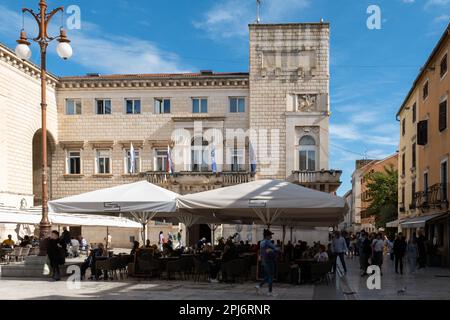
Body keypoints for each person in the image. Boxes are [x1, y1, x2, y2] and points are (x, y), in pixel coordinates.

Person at [255, 229, 280, 297]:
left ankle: (259, 286)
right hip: (269, 261)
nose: (271, 237)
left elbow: (263, 251)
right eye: (270, 235)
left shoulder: (261, 242)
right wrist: (278, 249)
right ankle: (270, 291)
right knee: (271, 276)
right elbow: (275, 249)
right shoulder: (267, 242)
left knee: (268, 276)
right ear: (267, 236)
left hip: (264, 261)